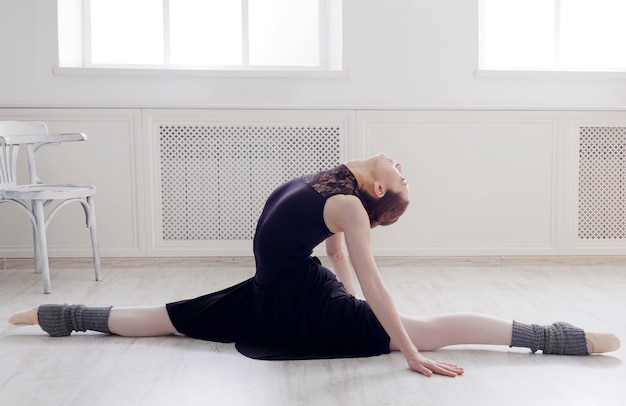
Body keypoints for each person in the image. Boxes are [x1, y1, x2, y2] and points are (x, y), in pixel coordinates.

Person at [8, 153, 620, 378]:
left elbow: (360, 274)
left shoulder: (340, 194)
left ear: (380, 192)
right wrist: (390, 334)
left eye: (403, 176)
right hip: (289, 294)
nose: (402, 164)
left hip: (280, 291)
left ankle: (63, 316)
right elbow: (342, 261)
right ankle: (553, 338)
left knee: (172, 316)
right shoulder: (336, 189)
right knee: (434, 329)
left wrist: (395, 341)